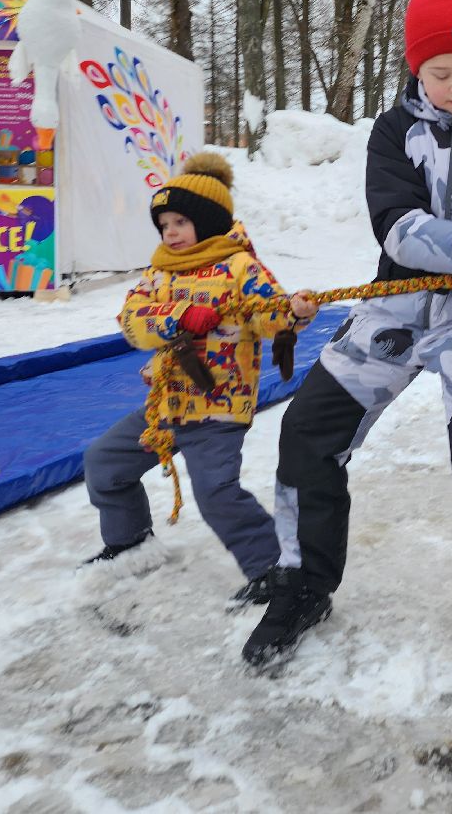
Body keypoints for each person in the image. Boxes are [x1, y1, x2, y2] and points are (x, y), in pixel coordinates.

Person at [243, 0, 452, 689]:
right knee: (308, 430)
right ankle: (304, 584)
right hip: (395, 311)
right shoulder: (395, 133)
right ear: (416, 70)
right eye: (440, 72)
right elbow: (395, 224)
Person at [82, 153, 318, 605]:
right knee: (105, 464)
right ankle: (130, 542)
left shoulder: (239, 267)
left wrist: (294, 313)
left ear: (208, 221)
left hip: (218, 407)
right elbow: (131, 321)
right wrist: (178, 316)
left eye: (180, 222)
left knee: (215, 493)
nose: (170, 232)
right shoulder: (160, 272)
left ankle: (273, 569)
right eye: (164, 224)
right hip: (167, 405)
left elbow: (270, 315)